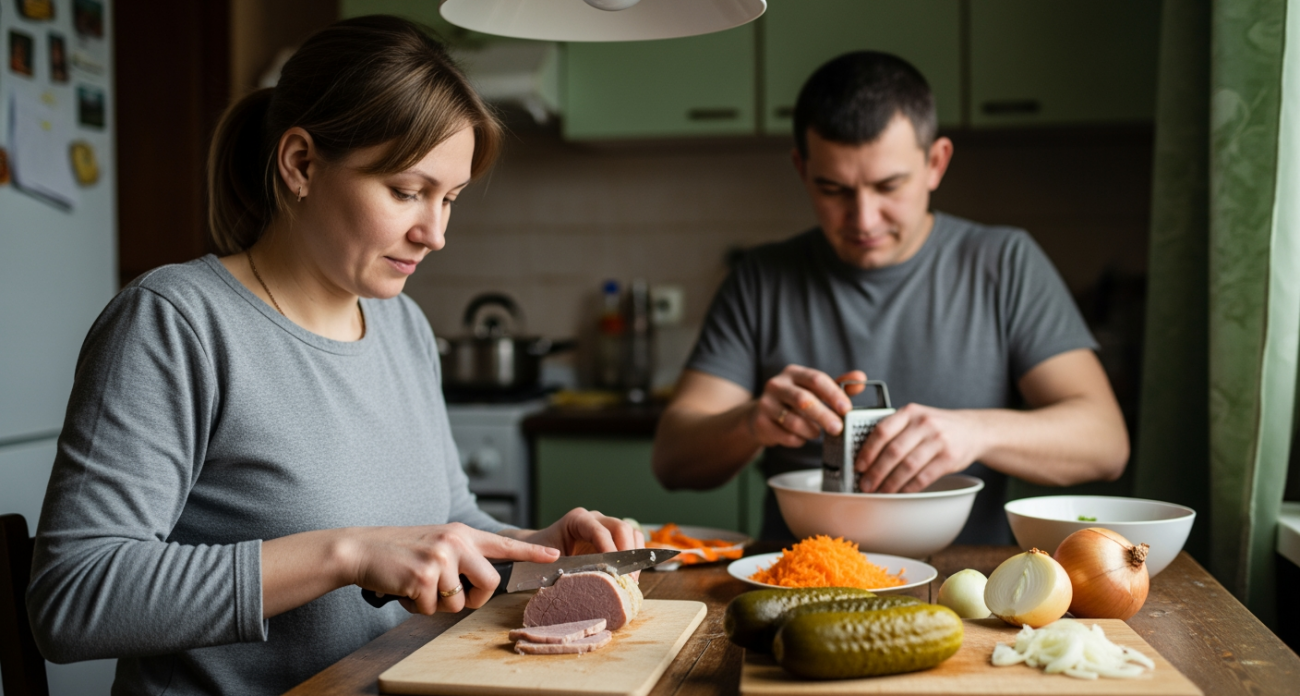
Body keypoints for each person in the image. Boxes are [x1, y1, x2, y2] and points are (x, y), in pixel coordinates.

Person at [27, 16, 641, 695]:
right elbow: (73, 600)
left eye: (450, 199)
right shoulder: (176, 323)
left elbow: (448, 518)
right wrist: (344, 554)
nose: (434, 233)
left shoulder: (401, 323)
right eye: (408, 192)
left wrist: (540, 552)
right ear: (301, 163)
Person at [652, 51, 1129, 543]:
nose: (864, 219)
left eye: (889, 186)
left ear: (935, 163)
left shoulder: (1005, 262)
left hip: (966, 589)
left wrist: (978, 432)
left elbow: (1105, 443)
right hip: (800, 582)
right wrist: (750, 422)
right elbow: (671, 461)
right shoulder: (760, 280)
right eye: (833, 189)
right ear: (801, 169)